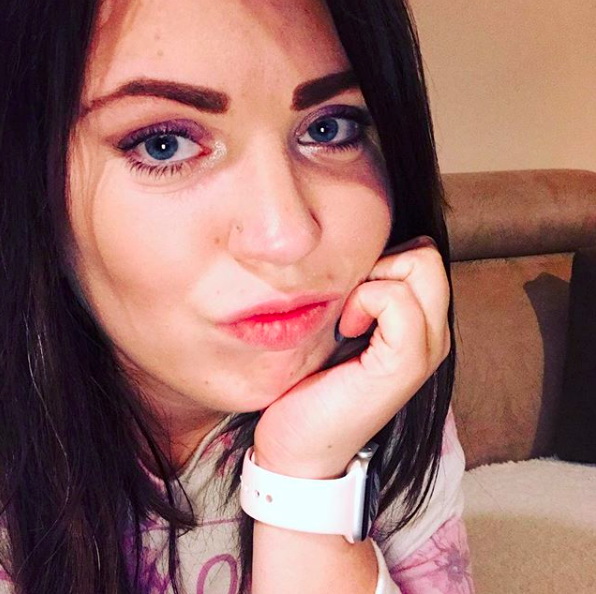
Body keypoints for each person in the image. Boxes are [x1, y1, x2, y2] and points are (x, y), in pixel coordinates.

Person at [0, 0, 475, 592]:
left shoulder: (376, 395)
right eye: (164, 143)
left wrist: (304, 481)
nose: (286, 236)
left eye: (329, 128)